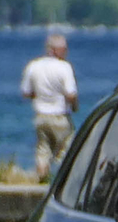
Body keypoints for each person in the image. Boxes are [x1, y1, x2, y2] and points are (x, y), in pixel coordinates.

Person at [22, 33, 78, 182]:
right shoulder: (64, 67)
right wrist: (74, 106)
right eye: (63, 49)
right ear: (53, 50)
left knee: (43, 151)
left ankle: (41, 181)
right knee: (67, 151)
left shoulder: (33, 66)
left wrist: (40, 95)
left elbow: (26, 92)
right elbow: (71, 94)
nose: (66, 52)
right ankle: (64, 184)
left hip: (40, 116)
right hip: (59, 116)